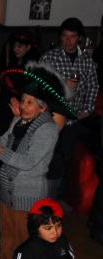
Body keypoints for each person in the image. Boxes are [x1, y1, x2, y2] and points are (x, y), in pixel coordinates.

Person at [0, 63, 74, 259]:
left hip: (28, 195)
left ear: (42, 107)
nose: (23, 105)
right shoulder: (19, 120)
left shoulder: (48, 129)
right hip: (8, 192)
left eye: (30, 102)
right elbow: (5, 143)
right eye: (23, 100)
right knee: (7, 237)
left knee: (26, 243)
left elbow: (29, 161)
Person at [40, 17, 99, 195]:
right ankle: (44, 196)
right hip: (52, 119)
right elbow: (39, 87)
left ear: (79, 38)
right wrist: (62, 85)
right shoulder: (49, 58)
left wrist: (87, 110)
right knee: (48, 158)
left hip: (74, 120)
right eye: (65, 36)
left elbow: (93, 86)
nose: (68, 41)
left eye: (72, 36)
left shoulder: (87, 61)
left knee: (66, 158)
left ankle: (56, 197)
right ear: (60, 37)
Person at [0, 30, 40, 131]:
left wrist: (16, 97)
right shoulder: (14, 61)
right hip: (8, 104)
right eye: (14, 46)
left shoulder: (32, 66)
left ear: (28, 47)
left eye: (19, 46)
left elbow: (29, 90)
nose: (15, 49)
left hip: (20, 107)